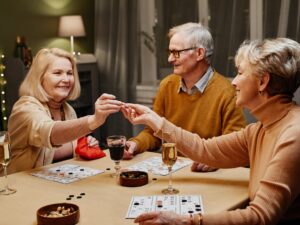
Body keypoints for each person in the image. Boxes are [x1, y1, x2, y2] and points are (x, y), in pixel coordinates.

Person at [123, 37, 300, 224]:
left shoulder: (293, 134)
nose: (234, 82)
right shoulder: (259, 129)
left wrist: (187, 221)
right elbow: (204, 149)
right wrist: (156, 121)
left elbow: (260, 217)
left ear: (263, 82)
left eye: (240, 73)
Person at [123, 22, 246, 172]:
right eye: (169, 52)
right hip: (171, 171)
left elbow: (236, 147)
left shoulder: (227, 92)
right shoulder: (166, 85)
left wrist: (217, 160)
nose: (169, 59)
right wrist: (135, 144)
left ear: (200, 53)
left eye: (176, 52)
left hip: (205, 176)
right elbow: (153, 132)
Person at [6, 48, 122, 174]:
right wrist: (94, 120)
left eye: (69, 73)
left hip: (54, 180)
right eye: (57, 73)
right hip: (21, 185)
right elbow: (51, 133)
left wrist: (82, 145)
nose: (66, 79)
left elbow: (63, 147)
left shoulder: (67, 109)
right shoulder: (25, 107)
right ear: (40, 78)